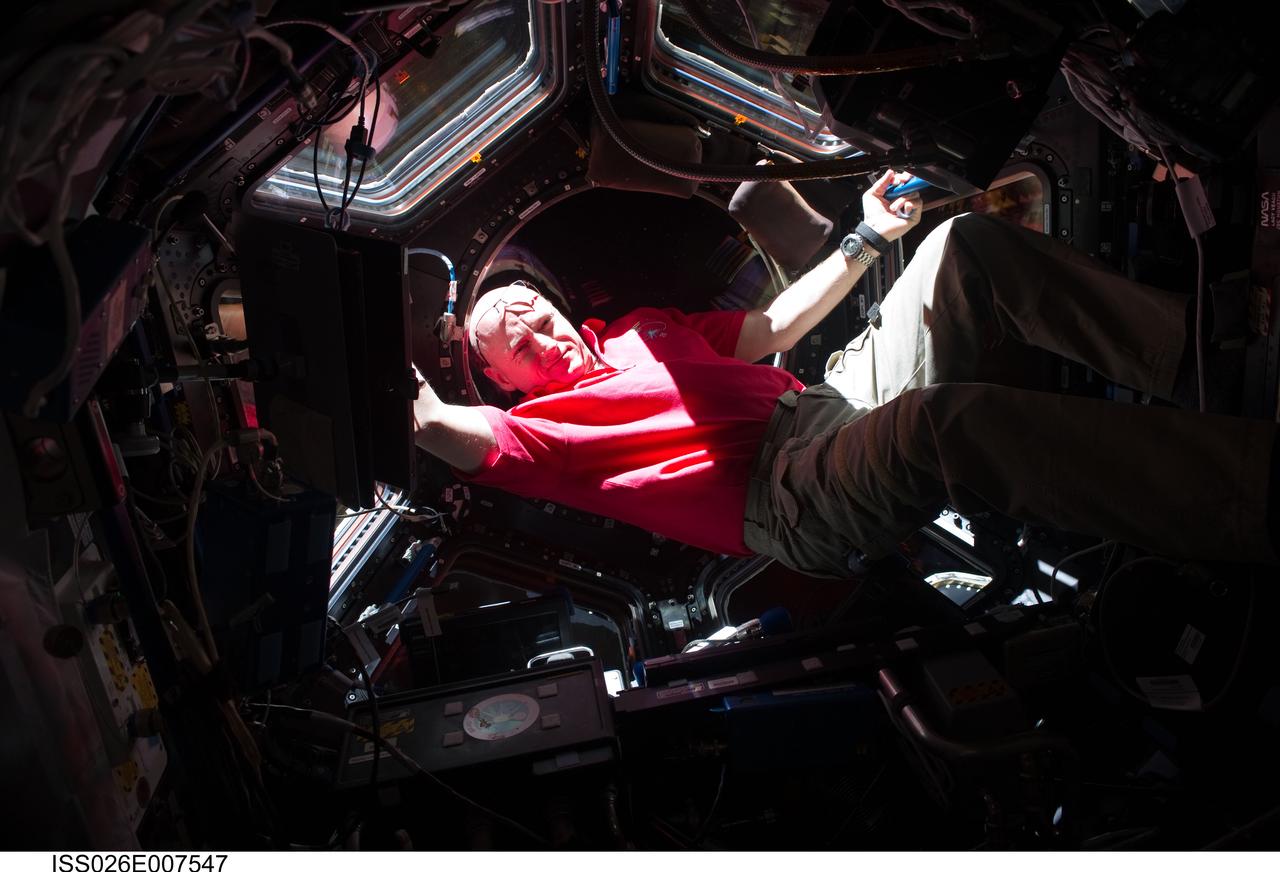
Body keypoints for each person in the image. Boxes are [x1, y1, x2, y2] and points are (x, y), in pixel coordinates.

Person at [411, 170, 1278, 578]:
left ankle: (1198, 347)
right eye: (508, 338)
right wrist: (402, 397)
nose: (530, 327)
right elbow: (452, 434)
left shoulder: (644, 333)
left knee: (958, 246)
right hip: (792, 493)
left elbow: (776, 326)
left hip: (826, 398)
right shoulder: (547, 433)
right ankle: (1250, 496)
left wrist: (867, 238)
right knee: (939, 424)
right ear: (505, 379)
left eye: (528, 309)